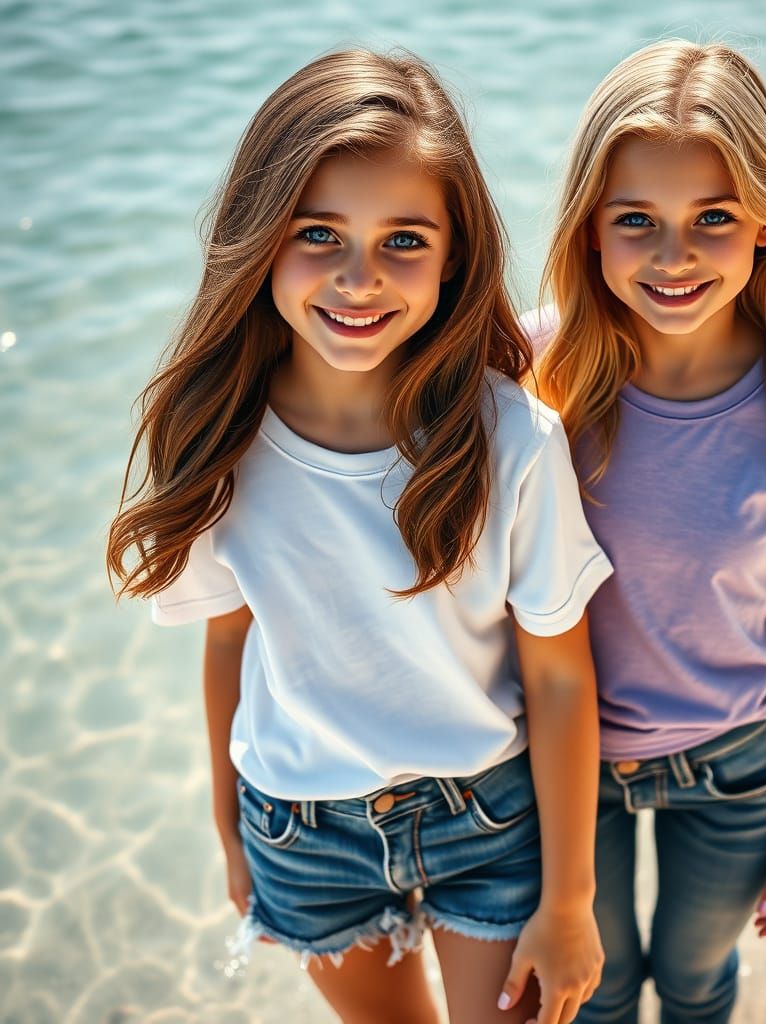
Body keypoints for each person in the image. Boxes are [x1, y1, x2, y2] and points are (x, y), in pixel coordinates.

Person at [106, 49, 612, 1024]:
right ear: (260, 237)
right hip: (299, 825)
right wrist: (228, 827)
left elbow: (557, 674)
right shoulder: (216, 440)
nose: (358, 278)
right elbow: (229, 640)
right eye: (319, 234)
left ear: (455, 256)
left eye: (404, 241)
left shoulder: (509, 437)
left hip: (490, 810)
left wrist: (572, 897)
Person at [524, 39, 766, 1023]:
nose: (673, 256)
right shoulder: (537, 374)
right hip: (566, 768)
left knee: (695, 981)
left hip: (739, 765)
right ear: (590, 229)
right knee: (593, 992)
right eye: (635, 221)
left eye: (714, 220)